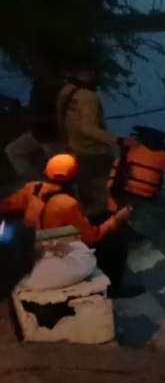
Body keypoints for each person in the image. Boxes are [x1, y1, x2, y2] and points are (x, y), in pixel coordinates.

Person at [0, 154, 140, 298]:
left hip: (32, 245)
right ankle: (114, 287)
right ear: (73, 179)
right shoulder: (67, 203)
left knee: (99, 218)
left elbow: (5, 205)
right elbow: (91, 238)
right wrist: (116, 219)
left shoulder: (32, 188)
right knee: (115, 240)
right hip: (46, 254)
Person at [56, 66, 138, 218]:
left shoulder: (66, 90)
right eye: (92, 73)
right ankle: (110, 220)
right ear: (87, 74)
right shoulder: (89, 97)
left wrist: (66, 142)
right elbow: (88, 129)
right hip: (93, 151)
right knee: (110, 187)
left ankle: (87, 218)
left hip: (74, 148)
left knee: (85, 187)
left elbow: (60, 118)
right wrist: (119, 140)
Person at [4, 76, 66, 180]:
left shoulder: (56, 87)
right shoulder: (37, 85)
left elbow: (61, 114)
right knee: (13, 150)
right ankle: (38, 183)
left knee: (59, 171)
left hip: (52, 135)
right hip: (39, 133)